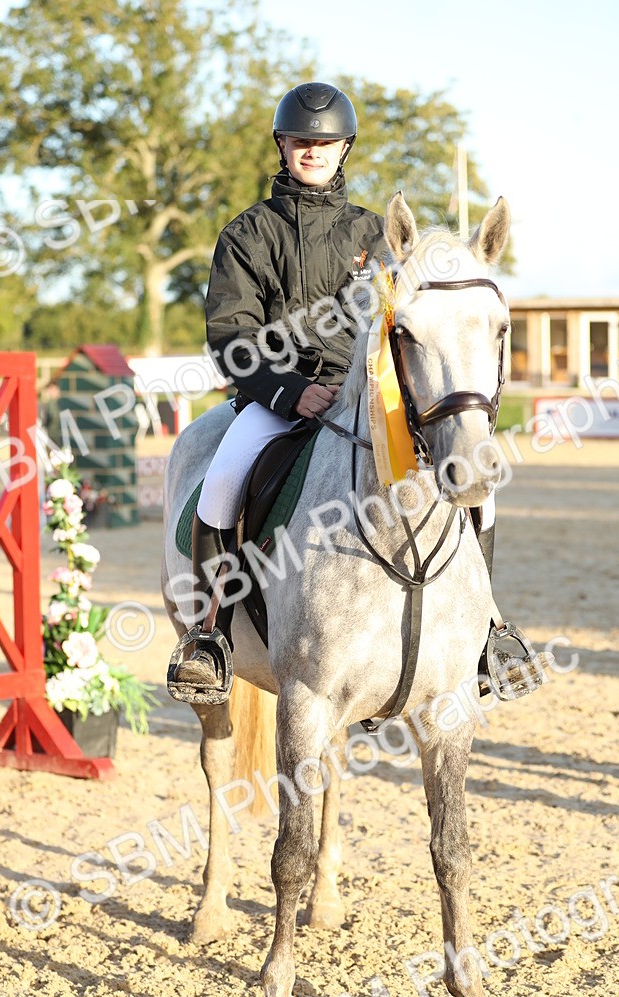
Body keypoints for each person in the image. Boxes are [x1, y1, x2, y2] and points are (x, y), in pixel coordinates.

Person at [172, 81, 388, 692]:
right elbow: (230, 336)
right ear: (282, 146)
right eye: (301, 141)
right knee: (221, 483)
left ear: (344, 147)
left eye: (325, 142)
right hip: (277, 398)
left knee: (465, 480)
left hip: (361, 398)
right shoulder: (248, 233)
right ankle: (209, 636)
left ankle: (485, 633)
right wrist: (291, 392)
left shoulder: (374, 236)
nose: (313, 151)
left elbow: (398, 324)